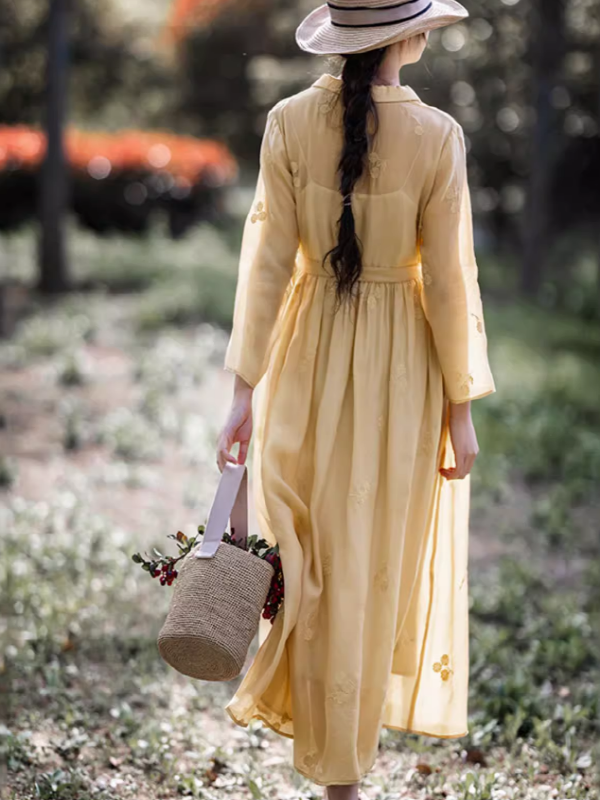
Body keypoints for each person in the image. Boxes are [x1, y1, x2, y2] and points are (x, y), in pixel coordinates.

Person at [216, 0, 496, 796]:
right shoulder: (439, 135)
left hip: (305, 357)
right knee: (372, 561)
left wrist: (243, 389)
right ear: (408, 36)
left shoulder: (287, 121)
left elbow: (267, 260)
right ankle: (344, 770)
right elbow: (447, 281)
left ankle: (327, 752)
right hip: (402, 373)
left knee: (313, 558)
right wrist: (461, 408)